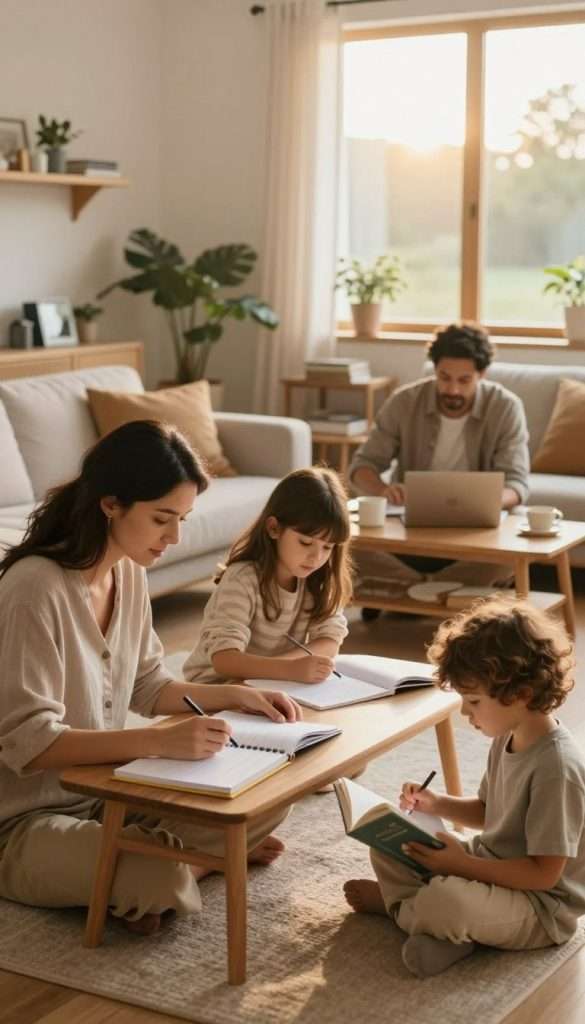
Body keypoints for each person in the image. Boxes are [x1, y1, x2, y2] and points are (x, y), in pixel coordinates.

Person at [0, 420, 301, 937]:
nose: (175, 537)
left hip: (109, 798)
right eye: (163, 518)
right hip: (23, 824)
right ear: (110, 504)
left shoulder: (129, 573)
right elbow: (30, 743)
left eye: (182, 518)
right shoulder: (34, 590)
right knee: (157, 871)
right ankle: (190, 870)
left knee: (267, 797)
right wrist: (157, 742)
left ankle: (159, 880)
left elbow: (147, 686)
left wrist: (233, 695)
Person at [343, 597, 585, 978]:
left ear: (519, 694)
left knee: (447, 899)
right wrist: (436, 804)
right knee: (390, 846)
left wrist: (462, 865)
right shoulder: (507, 734)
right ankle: (438, 925)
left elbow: (543, 876)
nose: (465, 713)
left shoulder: (558, 767)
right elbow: (488, 811)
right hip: (489, 865)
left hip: (537, 908)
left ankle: (404, 910)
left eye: (472, 701)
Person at [348, 322, 530, 608]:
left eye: (464, 380)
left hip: (477, 536)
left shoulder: (506, 407)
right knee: (344, 543)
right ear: (434, 369)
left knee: (516, 551)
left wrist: (489, 501)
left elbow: (517, 484)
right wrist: (383, 489)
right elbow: (361, 466)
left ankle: (407, 589)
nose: (453, 389)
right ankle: (447, 591)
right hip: (407, 529)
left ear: (482, 374)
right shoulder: (404, 402)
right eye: (444, 378)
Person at [183, 466, 353, 686]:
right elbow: (224, 660)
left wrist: (282, 671)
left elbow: (330, 641)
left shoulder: (318, 579)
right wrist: (289, 669)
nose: (316, 557)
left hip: (271, 684)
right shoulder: (242, 578)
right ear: (274, 528)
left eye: (328, 547)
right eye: (306, 542)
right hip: (215, 687)